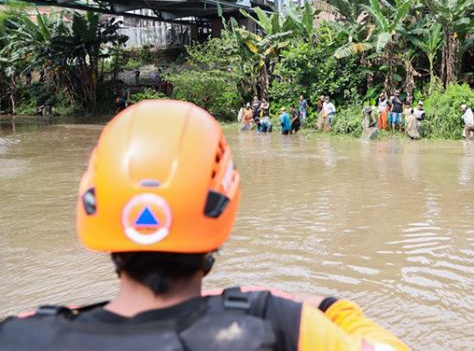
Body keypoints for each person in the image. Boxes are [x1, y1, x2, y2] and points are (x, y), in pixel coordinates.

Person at [0, 100, 408, 351]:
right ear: (224, 201)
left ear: (94, 203)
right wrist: (329, 308)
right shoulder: (279, 326)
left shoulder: (18, 336)